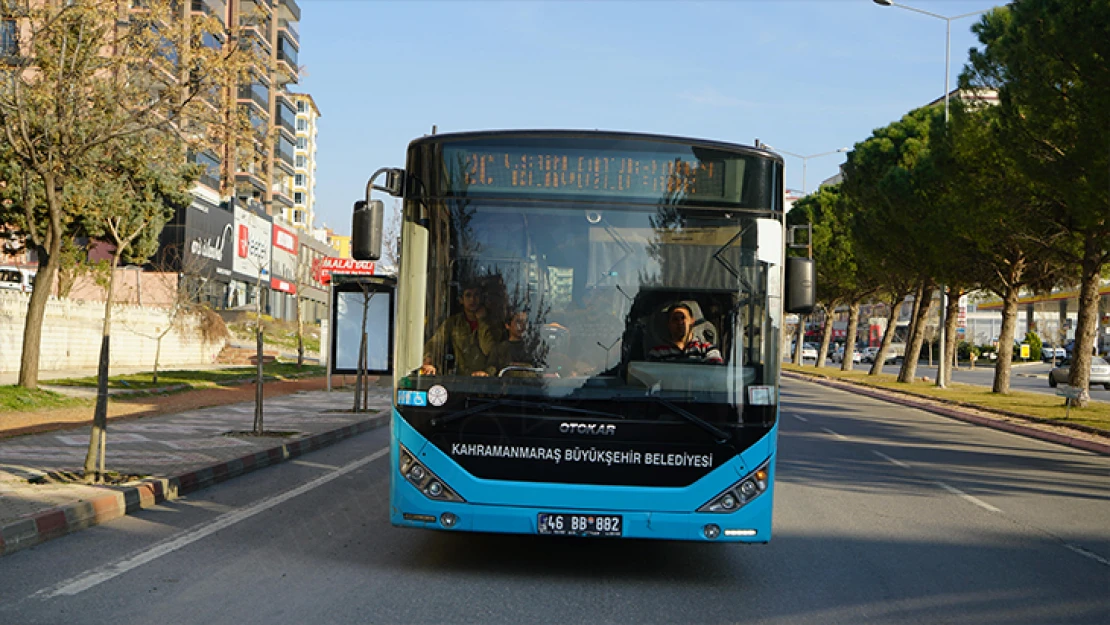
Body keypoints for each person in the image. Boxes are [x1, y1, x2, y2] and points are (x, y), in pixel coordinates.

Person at [420, 281, 500, 376]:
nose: (472, 299)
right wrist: (428, 361)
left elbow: (489, 350)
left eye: (476, 295)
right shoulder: (453, 323)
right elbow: (435, 343)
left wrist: (482, 322)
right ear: (461, 300)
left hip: (488, 380)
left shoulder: (493, 323)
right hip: (461, 380)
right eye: (468, 295)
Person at [647, 303, 724, 364]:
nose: (680, 322)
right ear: (669, 324)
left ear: (692, 321)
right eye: (675, 319)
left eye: (683, 318)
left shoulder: (707, 349)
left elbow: (715, 372)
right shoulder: (657, 353)